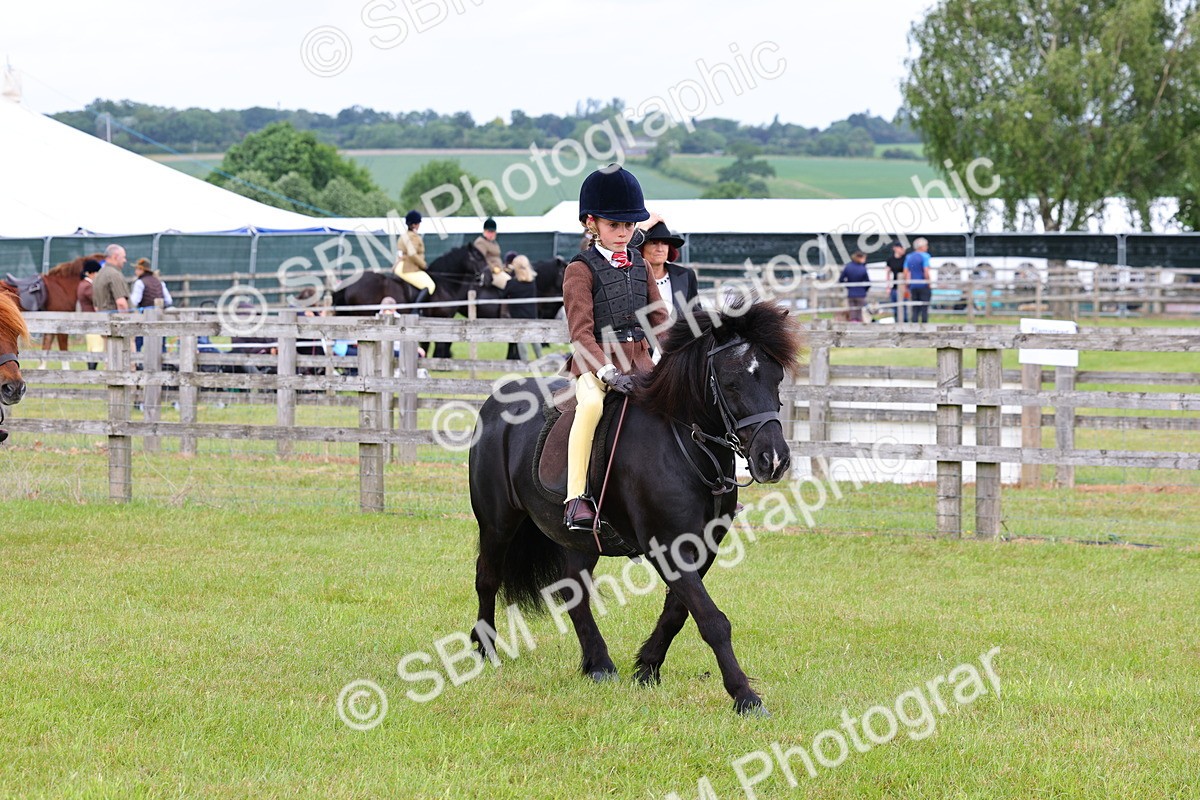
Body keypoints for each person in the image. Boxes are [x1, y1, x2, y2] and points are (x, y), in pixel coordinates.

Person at [561, 165, 669, 531]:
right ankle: (576, 498)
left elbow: (660, 320)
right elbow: (580, 333)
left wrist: (679, 355)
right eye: (614, 226)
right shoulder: (580, 269)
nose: (623, 233)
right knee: (590, 406)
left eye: (629, 226)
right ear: (592, 224)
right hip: (595, 365)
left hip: (639, 363)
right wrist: (606, 371)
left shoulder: (640, 263)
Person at [635, 217, 697, 319]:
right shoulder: (632, 276)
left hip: (679, 334)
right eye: (653, 243)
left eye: (664, 243)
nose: (660, 249)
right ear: (642, 248)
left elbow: (696, 314)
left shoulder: (686, 275)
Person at [502, 255, 541, 361]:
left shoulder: (512, 283)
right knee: (535, 340)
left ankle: (525, 363)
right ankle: (540, 359)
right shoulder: (532, 282)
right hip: (532, 316)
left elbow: (503, 294)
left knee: (521, 341)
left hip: (518, 317)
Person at [392, 210, 435, 304]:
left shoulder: (404, 235)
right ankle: (416, 310)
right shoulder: (413, 237)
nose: (419, 225)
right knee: (429, 285)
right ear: (414, 225)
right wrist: (424, 265)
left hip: (399, 266)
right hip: (408, 268)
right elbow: (412, 254)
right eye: (418, 223)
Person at [76, 258, 103, 369]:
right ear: (92, 273)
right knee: (96, 346)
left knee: (92, 346)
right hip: (93, 319)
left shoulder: (83, 284)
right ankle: (92, 369)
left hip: (88, 319)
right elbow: (97, 300)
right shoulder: (87, 286)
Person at [903, 237, 934, 323]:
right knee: (924, 307)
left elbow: (906, 272)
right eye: (926, 245)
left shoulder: (909, 257)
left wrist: (907, 285)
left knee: (915, 308)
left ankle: (914, 328)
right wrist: (929, 283)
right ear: (921, 247)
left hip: (913, 285)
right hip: (923, 285)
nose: (927, 247)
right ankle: (924, 328)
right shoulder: (925, 256)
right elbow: (926, 271)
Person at [92, 244, 130, 312]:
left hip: (101, 319)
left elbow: (96, 307)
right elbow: (121, 303)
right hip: (115, 320)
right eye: (123, 257)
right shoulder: (114, 274)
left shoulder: (98, 275)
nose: (125, 260)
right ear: (115, 257)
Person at [838, 250, 871, 322]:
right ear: (860, 258)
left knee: (852, 312)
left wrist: (849, 286)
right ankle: (858, 325)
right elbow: (868, 282)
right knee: (859, 311)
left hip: (851, 293)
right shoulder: (863, 268)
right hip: (861, 293)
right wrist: (864, 289)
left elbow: (841, 279)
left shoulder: (848, 266)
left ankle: (853, 323)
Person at [886, 241, 909, 322]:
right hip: (895, 287)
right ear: (895, 248)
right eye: (901, 248)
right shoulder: (890, 260)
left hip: (904, 286)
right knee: (895, 308)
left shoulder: (906, 259)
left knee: (904, 308)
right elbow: (888, 273)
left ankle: (905, 325)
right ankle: (897, 325)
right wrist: (888, 286)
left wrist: (907, 285)